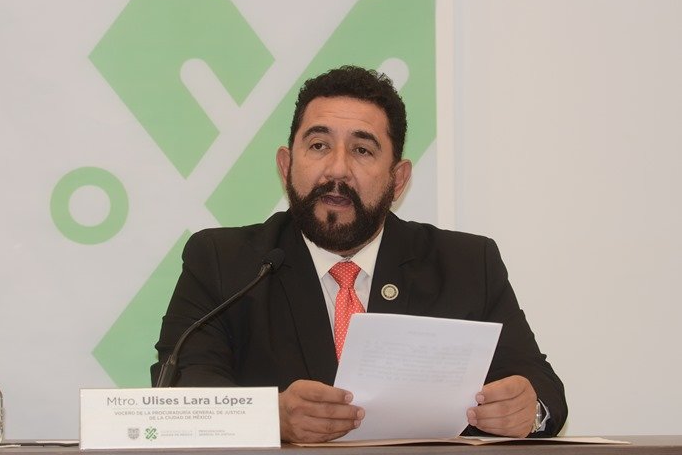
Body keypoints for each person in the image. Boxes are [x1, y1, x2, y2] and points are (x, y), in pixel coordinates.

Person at [152, 65, 567, 442]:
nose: (337, 170)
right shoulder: (224, 262)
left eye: (362, 150)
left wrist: (528, 410)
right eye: (318, 145)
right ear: (286, 165)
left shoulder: (465, 264)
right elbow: (179, 391)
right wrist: (271, 417)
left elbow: (541, 386)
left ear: (397, 179)